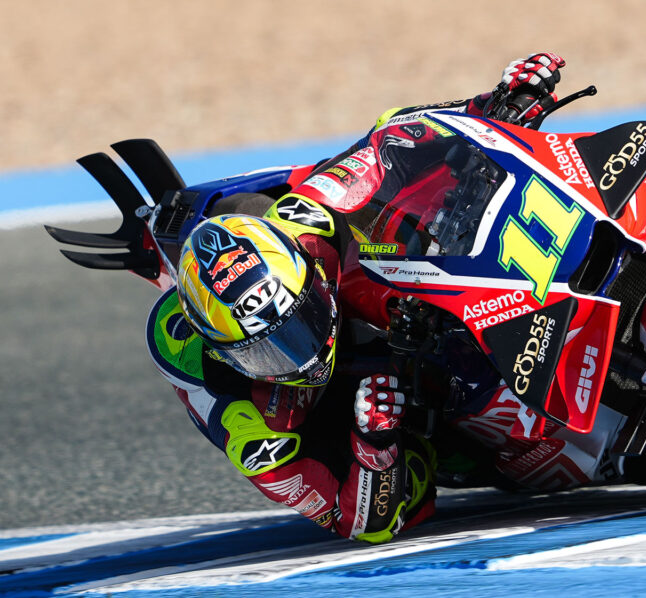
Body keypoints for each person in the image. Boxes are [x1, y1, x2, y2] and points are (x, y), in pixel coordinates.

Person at [147, 54, 576, 543]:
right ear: (228, 352)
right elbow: (356, 524)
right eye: (263, 351)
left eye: (298, 324)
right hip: (342, 418)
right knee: (413, 490)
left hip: (336, 279)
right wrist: (375, 445)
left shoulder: (305, 226)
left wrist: (497, 103)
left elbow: (389, 138)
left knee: (389, 226)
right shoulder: (254, 434)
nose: (298, 356)